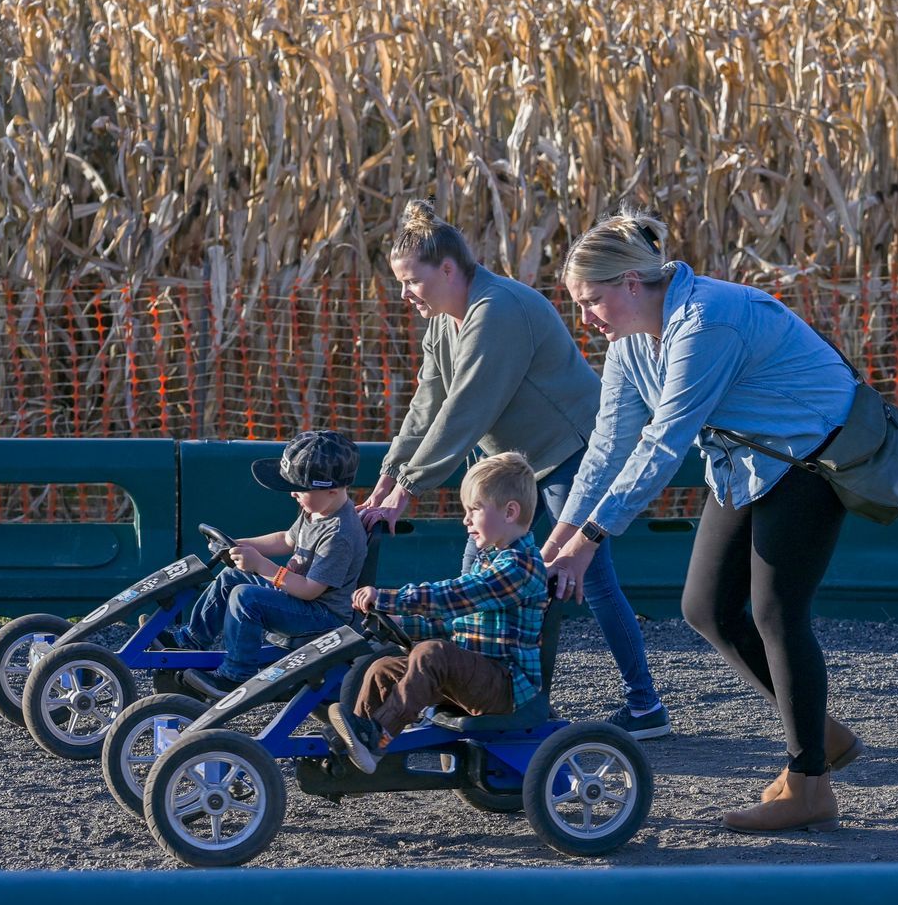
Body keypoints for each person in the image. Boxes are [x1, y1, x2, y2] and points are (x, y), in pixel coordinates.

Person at [543, 210, 867, 833]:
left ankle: (810, 787)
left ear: (633, 283)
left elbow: (663, 444)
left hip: (813, 453)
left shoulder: (705, 321)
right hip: (749, 456)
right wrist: (561, 534)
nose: (585, 317)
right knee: (705, 607)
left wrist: (591, 538)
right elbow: (610, 443)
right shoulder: (629, 342)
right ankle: (821, 733)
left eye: (592, 300)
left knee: (776, 611)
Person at [356, 199, 670, 740]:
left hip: (570, 454)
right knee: (473, 576)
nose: (406, 296)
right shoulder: (444, 322)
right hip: (508, 473)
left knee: (591, 578)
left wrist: (409, 486)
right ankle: (468, 692)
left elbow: (467, 408)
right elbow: (427, 402)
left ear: (449, 269)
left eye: (413, 282)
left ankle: (644, 705)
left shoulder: (496, 310)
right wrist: (387, 475)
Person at [334, 452, 547, 774]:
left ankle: (378, 737)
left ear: (510, 511)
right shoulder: (488, 561)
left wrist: (389, 598)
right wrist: (400, 624)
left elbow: (453, 597)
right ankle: (358, 749)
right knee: (383, 668)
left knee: (432, 654)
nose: (466, 520)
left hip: (506, 685)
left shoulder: (520, 568)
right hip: (473, 674)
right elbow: (451, 624)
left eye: (474, 510)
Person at [173, 429, 369, 697]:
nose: (292, 495)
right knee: (231, 577)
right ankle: (191, 641)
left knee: (246, 598)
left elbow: (310, 590)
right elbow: (286, 539)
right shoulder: (316, 510)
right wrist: (241, 544)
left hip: (323, 616)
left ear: (332, 490)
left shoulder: (339, 533)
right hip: (301, 600)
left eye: (299, 489)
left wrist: (262, 566)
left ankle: (235, 674)